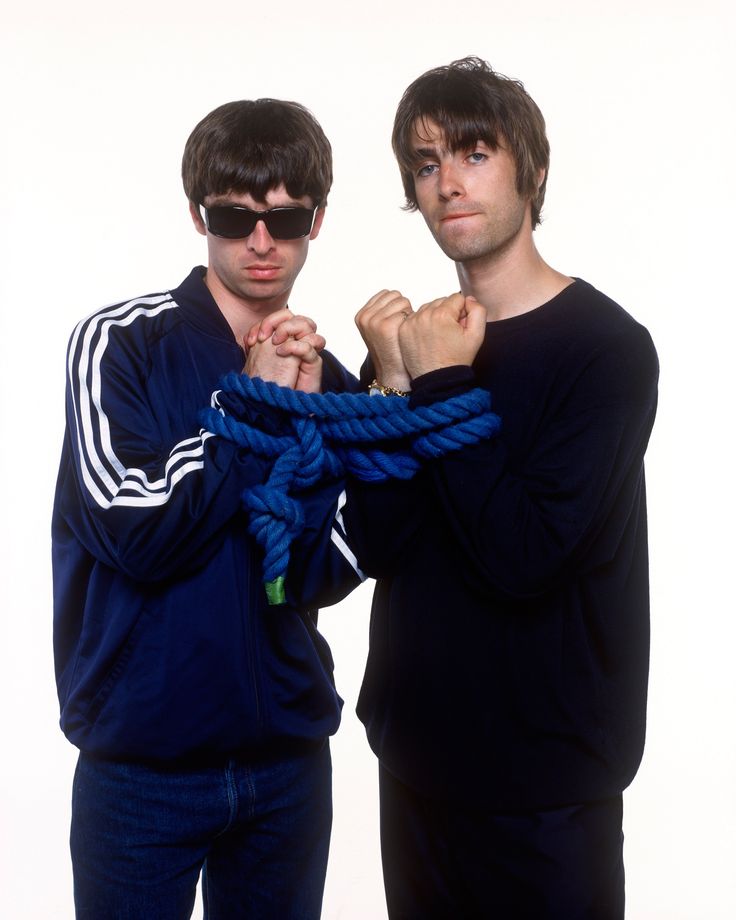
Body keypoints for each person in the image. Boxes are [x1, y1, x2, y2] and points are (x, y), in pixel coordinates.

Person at [346, 57, 659, 918]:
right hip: (416, 763)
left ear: (535, 169)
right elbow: (376, 543)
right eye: (425, 162)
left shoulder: (607, 350)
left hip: (548, 788)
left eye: (474, 153)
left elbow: (522, 556)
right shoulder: (414, 349)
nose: (447, 182)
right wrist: (391, 386)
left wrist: (442, 383)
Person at [52, 98, 362, 919]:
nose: (262, 242)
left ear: (317, 221)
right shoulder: (121, 342)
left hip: (288, 766)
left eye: (285, 218)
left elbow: (325, 567)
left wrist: (387, 399)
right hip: (140, 772)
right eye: (235, 216)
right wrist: (250, 409)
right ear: (198, 213)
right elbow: (135, 528)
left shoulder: (326, 381)